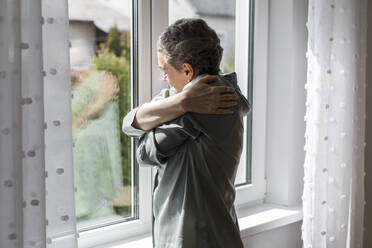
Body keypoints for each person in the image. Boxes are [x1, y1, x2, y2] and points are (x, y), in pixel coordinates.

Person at [122, 18, 250, 248]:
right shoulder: (208, 96)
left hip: (193, 236)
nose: (163, 78)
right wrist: (181, 100)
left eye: (164, 70)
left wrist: (177, 105)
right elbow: (130, 122)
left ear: (187, 70)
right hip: (215, 229)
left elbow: (144, 153)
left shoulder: (207, 103)